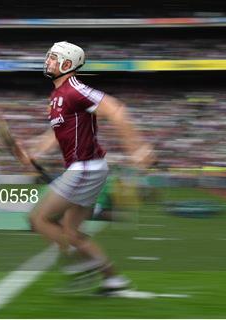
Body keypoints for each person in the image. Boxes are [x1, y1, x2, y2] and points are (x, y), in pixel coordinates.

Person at [19, 41, 155, 293]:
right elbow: (56, 131)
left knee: (38, 218)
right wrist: (36, 151)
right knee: (71, 231)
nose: (46, 61)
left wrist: (137, 148)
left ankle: (83, 265)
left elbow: (116, 109)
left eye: (52, 58)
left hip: (85, 169)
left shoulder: (74, 90)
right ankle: (113, 280)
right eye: (48, 57)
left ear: (67, 64)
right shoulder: (58, 96)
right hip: (87, 169)